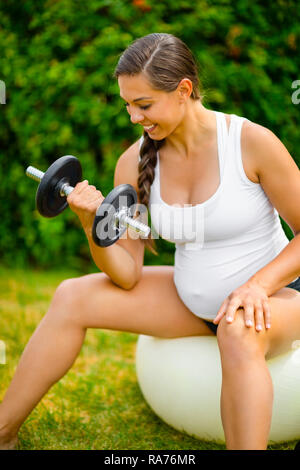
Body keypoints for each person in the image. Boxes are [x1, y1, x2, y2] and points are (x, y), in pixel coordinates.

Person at [1, 32, 300, 451]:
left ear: (184, 91)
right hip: (193, 303)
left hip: (277, 300)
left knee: (237, 328)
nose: (133, 117)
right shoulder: (133, 161)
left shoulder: (250, 144)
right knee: (72, 295)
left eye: (143, 105)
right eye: (127, 105)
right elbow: (127, 274)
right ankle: (3, 433)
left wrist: (257, 286)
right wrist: (92, 226)